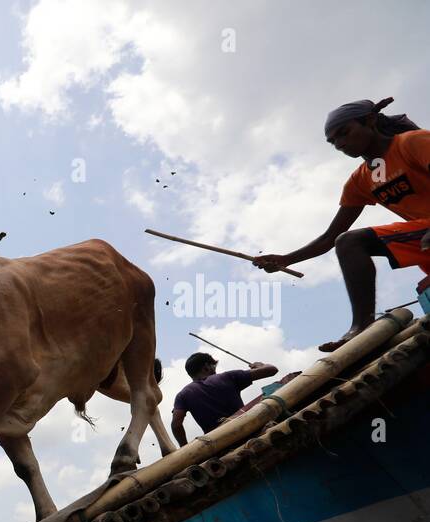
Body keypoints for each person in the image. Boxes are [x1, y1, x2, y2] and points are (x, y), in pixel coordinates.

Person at [253, 97, 427, 352]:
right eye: (333, 141)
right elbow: (330, 237)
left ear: (369, 121)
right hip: (424, 244)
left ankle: (361, 326)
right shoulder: (361, 180)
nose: (340, 144)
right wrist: (286, 259)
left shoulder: (413, 142)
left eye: (344, 133)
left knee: (352, 241)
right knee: (345, 242)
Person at [170, 352, 278, 446]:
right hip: (249, 432)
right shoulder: (227, 377)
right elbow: (272, 370)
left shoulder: (183, 395)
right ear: (207, 366)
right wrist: (260, 365)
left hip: (218, 445)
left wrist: (184, 447)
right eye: (213, 366)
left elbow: (176, 424)